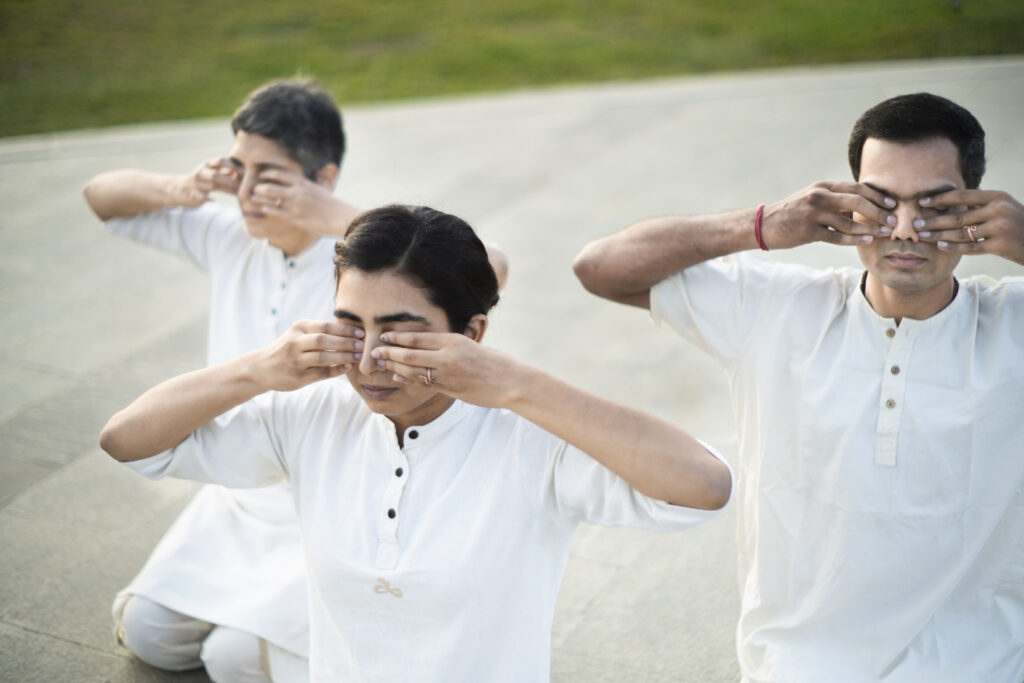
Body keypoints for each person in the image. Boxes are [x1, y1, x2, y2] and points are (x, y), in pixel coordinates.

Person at [98, 204, 733, 682]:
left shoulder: (532, 435)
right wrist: (256, 369)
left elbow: (703, 485)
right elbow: (127, 441)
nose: (370, 360)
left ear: (472, 332)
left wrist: (513, 383)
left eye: (400, 335)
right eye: (351, 327)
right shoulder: (314, 415)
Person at [572, 92, 1024, 682]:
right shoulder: (778, 309)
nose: (906, 231)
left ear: (978, 207)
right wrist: (763, 224)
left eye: (935, 206)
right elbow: (599, 267)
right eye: (882, 203)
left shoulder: (1011, 323)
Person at [83, 78, 505, 682]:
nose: (249, 193)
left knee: (232, 658)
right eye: (238, 171)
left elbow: (487, 264)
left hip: (325, 489)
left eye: (270, 177)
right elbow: (99, 195)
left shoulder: (360, 270)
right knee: (149, 634)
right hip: (234, 483)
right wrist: (185, 188)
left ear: (323, 177)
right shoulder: (228, 235)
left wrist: (336, 216)